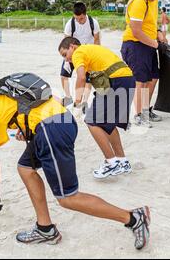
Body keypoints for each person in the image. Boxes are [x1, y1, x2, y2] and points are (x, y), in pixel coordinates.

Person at [0, 74, 151, 250]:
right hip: (62, 121)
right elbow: (36, 106)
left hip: (50, 132)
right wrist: (29, 129)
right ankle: (45, 229)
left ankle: (133, 218)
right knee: (25, 168)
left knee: (68, 198)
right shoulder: (5, 89)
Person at [58, 37, 135, 179]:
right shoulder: (90, 51)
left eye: (65, 55)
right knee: (108, 124)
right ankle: (122, 161)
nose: (67, 60)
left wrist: (77, 102)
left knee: (92, 121)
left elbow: (81, 78)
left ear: (73, 46)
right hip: (127, 79)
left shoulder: (78, 52)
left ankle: (111, 163)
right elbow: (96, 81)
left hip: (116, 80)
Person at [121, 0, 167, 128]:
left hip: (148, 44)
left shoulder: (153, 0)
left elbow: (151, 22)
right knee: (140, 81)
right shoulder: (139, 1)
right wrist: (155, 43)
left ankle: (146, 110)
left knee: (153, 78)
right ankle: (138, 115)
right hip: (135, 45)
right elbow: (136, 31)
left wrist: (159, 32)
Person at [61, 2, 101, 107]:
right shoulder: (70, 23)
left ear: (85, 14)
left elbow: (97, 41)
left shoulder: (93, 23)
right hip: (73, 53)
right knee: (63, 75)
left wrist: (96, 57)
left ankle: (84, 101)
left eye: (81, 19)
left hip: (88, 55)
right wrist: (66, 60)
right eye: (76, 19)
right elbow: (66, 41)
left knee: (88, 79)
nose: (79, 21)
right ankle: (68, 97)